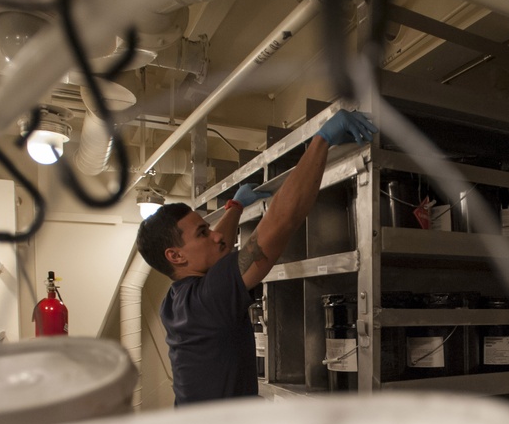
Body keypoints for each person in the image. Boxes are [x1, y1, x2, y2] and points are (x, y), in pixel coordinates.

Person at [136, 109, 377, 407]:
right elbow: (281, 220)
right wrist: (321, 141)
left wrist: (235, 206)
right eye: (201, 233)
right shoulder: (210, 298)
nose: (215, 235)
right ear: (175, 256)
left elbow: (218, 243)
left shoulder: (175, 301)